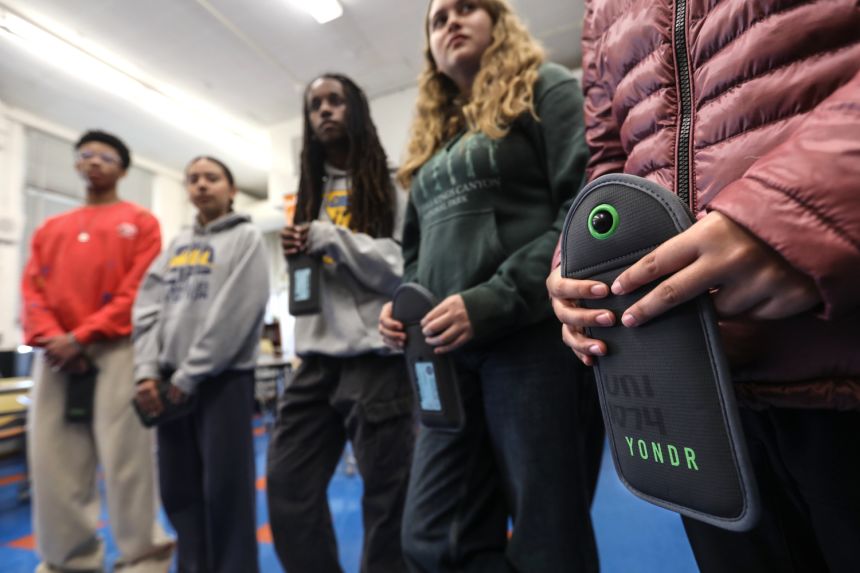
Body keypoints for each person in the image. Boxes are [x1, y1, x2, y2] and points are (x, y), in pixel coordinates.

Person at [547, 2, 860, 571]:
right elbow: (610, 158)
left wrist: (797, 214)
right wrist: (575, 265)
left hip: (839, 349)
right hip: (698, 391)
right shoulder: (602, 9)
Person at [378, 1, 604, 570]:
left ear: (498, 21)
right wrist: (406, 307)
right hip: (446, 356)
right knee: (432, 538)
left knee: (547, 537)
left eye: (467, 8)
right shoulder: (433, 142)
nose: (451, 21)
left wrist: (493, 299)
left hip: (530, 344)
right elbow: (414, 252)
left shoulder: (545, 87)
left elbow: (581, 207)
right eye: (437, 19)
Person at [265, 73, 414, 573]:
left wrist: (331, 238)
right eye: (314, 106)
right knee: (287, 488)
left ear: (356, 109)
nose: (324, 111)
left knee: (389, 502)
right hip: (314, 362)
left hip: (377, 361)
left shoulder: (393, 183)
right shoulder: (307, 193)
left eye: (334, 101)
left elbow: (403, 268)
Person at [20, 130, 173, 572]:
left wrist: (84, 336)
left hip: (116, 350)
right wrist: (54, 338)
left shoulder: (141, 223)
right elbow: (32, 289)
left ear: (122, 169)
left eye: (105, 157)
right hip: (55, 357)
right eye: (85, 155)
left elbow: (139, 289)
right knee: (54, 464)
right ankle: (67, 560)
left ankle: (142, 555)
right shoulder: (51, 229)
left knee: (129, 461)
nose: (93, 162)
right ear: (75, 164)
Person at [132, 156, 269, 573]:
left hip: (223, 381)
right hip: (171, 383)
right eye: (193, 179)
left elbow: (236, 314)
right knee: (179, 490)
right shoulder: (175, 247)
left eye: (212, 178)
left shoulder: (247, 239)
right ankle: (192, 566)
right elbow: (148, 310)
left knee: (226, 491)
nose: (202, 185)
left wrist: (192, 373)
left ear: (231, 189)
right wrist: (147, 371)